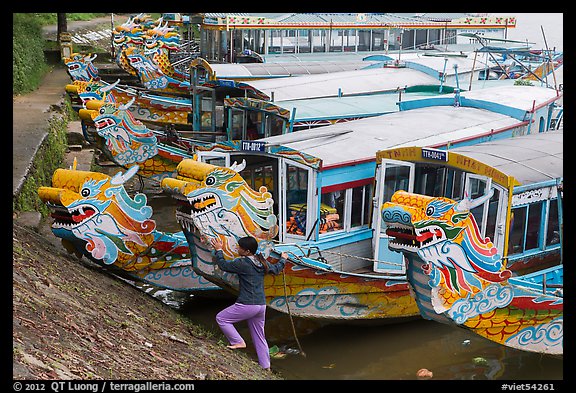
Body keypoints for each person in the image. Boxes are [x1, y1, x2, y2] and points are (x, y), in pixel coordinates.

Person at [210, 236, 288, 370]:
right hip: (261, 305)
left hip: (247, 304)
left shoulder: (243, 263)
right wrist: (283, 259)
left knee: (221, 318)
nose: (237, 248)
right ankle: (266, 366)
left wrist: (219, 250)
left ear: (246, 251)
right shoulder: (261, 261)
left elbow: (223, 265)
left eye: (240, 247)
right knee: (259, 336)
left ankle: (237, 341)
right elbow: (276, 269)